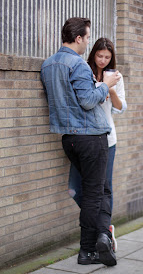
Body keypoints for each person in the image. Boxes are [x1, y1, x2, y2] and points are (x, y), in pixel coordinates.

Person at [41, 17, 121, 266]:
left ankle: (101, 239)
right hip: (91, 137)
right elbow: (88, 101)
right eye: (87, 38)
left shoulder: (48, 65)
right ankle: (90, 249)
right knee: (95, 195)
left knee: (90, 193)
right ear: (78, 38)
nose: (87, 42)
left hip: (69, 139)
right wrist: (105, 85)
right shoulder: (79, 65)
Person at [68, 37, 127, 253]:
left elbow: (121, 108)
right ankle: (104, 227)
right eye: (99, 56)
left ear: (112, 58)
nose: (102, 60)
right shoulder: (85, 73)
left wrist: (110, 89)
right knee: (75, 189)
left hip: (107, 140)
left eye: (107, 57)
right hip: (84, 137)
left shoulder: (116, 77)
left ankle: (102, 231)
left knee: (103, 189)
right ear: (93, 54)